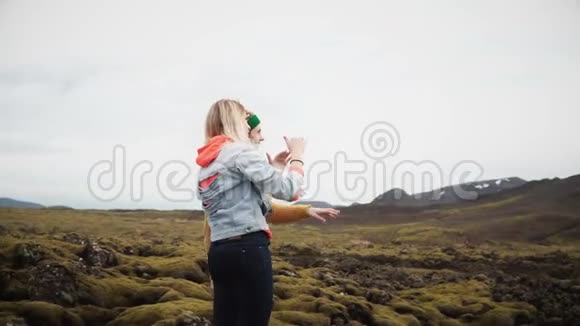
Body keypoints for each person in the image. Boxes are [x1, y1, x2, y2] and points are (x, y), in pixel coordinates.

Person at [195, 99, 337, 326]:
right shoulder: (241, 152)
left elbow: (251, 202)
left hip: (219, 252)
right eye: (255, 129)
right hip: (248, 250)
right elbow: (290, 189)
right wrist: (298, 157)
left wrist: (276, 169)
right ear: (238, 123)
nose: (260, 137)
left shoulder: (206, 165)